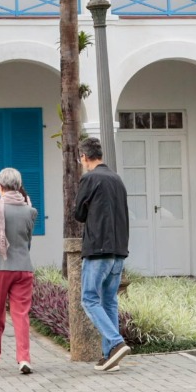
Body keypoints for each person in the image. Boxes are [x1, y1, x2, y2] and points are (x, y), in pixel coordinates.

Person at [73, 135, 131, 372]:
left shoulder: (90, 178)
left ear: (84, 157)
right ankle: (110, 356)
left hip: (98, 249)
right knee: (109, 301)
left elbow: (78, 213)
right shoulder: (116, 179)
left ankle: (116, 343)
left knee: (89, 298)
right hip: (119, 250)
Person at [0, 167, 37, 374]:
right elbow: (27, 240)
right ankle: (24, 358)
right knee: (21, 314)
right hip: (23, 267)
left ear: (0, 187)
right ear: (19, 186)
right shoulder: (30, 211)